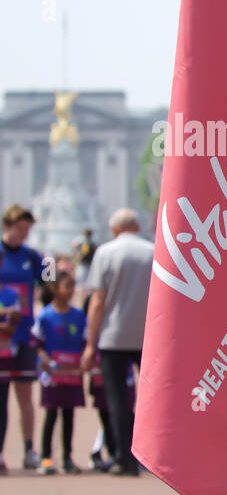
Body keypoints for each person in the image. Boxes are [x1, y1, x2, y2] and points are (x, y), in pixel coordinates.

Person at [80, 208, 153, 476]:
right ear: (137, 226)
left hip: (113, 336)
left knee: (118, 400)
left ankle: (124, 458)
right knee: (151, 400)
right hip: (149, 337)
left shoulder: (105, 253)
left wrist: (90, 343)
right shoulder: (153, 251)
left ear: (114, 230)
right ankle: (153, 456)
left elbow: (97, 302)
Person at [1, 204, 45, 473]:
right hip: (2, 338)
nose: (23, 234)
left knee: (26, 396)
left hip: (25, 334)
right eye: (19, 229)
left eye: (27, 230)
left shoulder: (33, 256)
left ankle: (30, 450)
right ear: (7, 226)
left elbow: (54, 281)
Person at [32, 271, 86, 474]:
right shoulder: (46, 315)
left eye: (73, 287)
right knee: (51, 414)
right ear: (54, 289)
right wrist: (44, 358)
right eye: (67, 287)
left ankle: (67, 459)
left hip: (71, 374)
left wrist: (83, 360)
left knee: (69, 415)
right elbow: (36, 342)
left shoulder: (78, 316)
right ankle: (46, 458)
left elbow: (84, 342)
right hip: (52, 375)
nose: (71, 291)